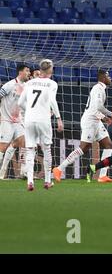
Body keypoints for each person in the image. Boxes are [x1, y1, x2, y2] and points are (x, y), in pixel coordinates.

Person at [53, 70, 112, 183]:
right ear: (102, 78)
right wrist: (110, 115)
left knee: (108, 145)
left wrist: (104, 118)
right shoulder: (98, 88)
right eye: (108, 76)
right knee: (84, 147)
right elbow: (98, 107)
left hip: (96, 121)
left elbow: (95, 108)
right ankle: (59, 169)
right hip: (89, 121)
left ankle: (102, 176)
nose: (110, 78)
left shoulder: (100, 89)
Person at [18, 59, 63, 190]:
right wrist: (59, 118)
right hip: (43, 119)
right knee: (47, 148)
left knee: (30, 150)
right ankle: (48, 181)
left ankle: (30, 182)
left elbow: (20, 103)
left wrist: (31, 110)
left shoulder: (29, 83)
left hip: (29, 119)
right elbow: (53, 101)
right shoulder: (52, 84)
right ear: (51, 70)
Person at [0, 64, 30, 180]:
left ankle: (23, 171)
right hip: (6, 120)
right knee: (2, 147)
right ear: (20, 72)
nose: (29, 73)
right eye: (27, 71)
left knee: (24, 142)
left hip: (17, 121)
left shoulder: (27, 87)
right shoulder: (9, 85)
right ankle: (1, 171)